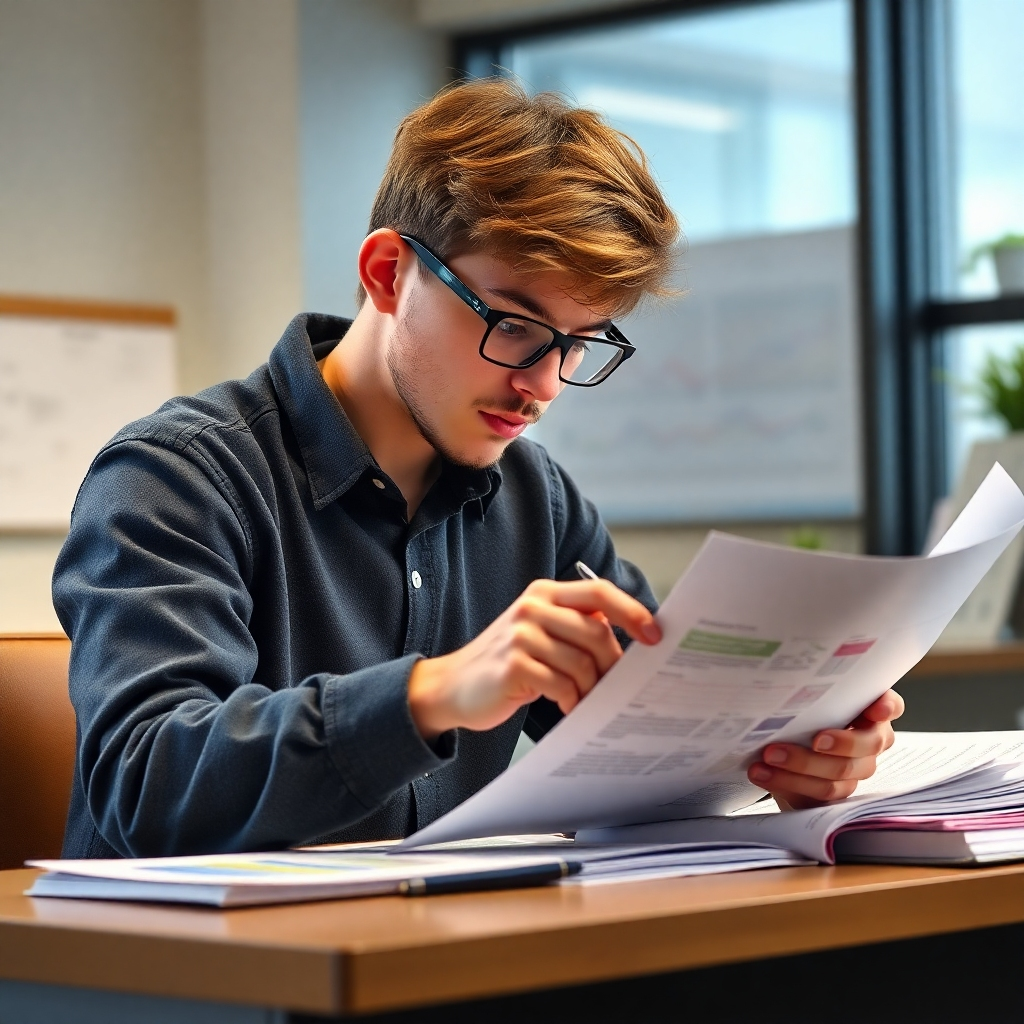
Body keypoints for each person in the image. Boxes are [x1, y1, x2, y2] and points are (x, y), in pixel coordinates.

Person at [53, 79, 903, 859]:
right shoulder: (175, 478)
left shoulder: (538, 501)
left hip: (443, 961)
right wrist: (434, 692)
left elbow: (656, 730)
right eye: (514, 324)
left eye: (578, 344)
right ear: (389, 273)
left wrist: (784, 757)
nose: (540, 384)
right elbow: (145, 784)